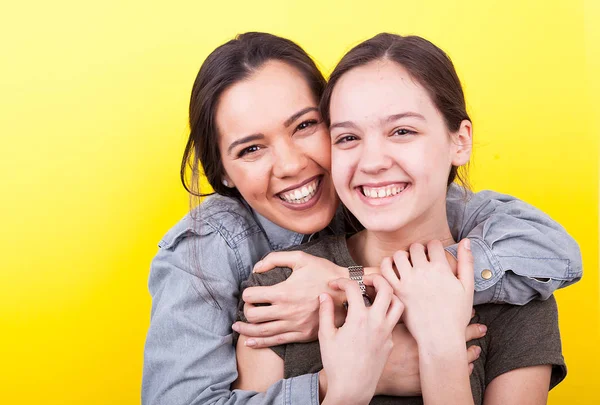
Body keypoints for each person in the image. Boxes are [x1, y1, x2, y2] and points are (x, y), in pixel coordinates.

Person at [142, 32, 579, 405]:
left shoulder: (506, 273)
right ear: (221, 171)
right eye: (251, 148)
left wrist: (359, 284)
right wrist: (345, 383)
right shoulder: (258, 279)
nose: (292, 165)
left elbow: (557, 252)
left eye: (305, 126)